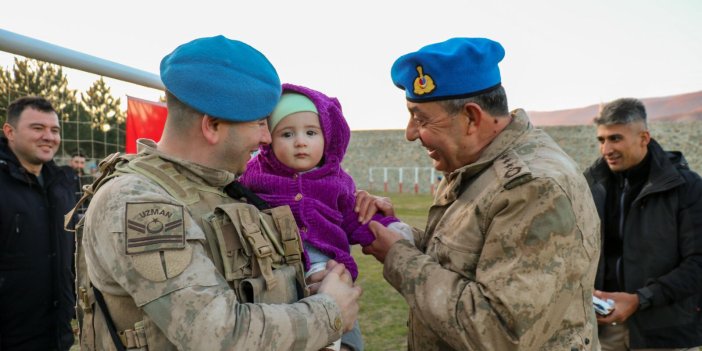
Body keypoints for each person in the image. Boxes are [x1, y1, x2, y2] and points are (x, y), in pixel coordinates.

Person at [76, 35, 361, 350]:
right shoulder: (139, 203)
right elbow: (216, 333)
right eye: (259, 124)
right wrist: (330, 312)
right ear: (211, 126)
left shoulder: (226, 187)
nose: (267, 138)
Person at [357, 37, 601, 350]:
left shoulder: (533, 188)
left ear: (471, 117)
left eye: (421, 118)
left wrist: (398, 256)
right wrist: (400, 234)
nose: (410, 133)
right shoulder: (479, 165)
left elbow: (500, 332)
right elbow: (468, 259)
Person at [239, 84, 413, 351]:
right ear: (269, 140)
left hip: (327, 269)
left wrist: (390, 227)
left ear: (327, 137)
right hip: (275, 277)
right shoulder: (255, 175)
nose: (300, 141)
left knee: (335, 298)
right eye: (287, 133)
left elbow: (357, 218)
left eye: (311, 132)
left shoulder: (337, 182)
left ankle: (337, 340)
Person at [584, 98, 702, 350]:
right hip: (602, 331)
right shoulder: (590, 186)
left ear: (644, 138)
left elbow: (698, 262)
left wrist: (641, 299)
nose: (606, 150)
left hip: (665, 333)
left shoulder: (686, 187)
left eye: (615, 138)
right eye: (601, 140)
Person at [0, 96, 76, 350]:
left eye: (54, 130)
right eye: (37, 128)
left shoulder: (62, 184)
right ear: (9, 132)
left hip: (58, 334)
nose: (49, 136)